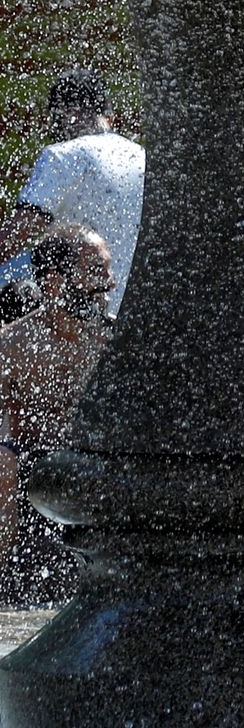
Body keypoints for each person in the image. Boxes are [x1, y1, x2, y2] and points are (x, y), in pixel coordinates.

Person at [0, 223, 115, 604]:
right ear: (54, 284)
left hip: (98, 466)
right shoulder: (14, 345)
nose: (110, 285)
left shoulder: (115, 345)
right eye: (96, 272)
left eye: (109, 271)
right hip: (29, 470)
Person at [0, 68, 146, 318]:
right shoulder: (141, 156)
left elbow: (18, 232)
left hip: (79, 313)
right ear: (106, 114)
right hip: (128, 310)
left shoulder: (64, 155)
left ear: (67, 112)